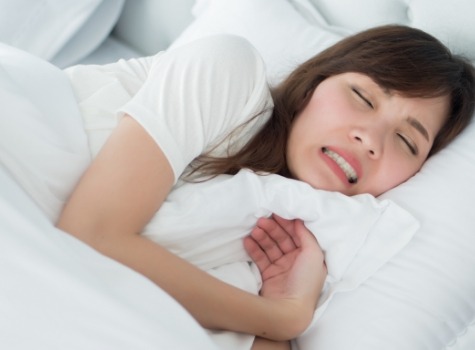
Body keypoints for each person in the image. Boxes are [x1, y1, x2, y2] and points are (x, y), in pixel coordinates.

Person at [57, 24, 475, 350]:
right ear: (313, 85)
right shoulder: (230, 72)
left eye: (406, 141)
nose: (370, 138)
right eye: (363, 98)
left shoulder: (294, 245)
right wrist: (283, 318)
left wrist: (284, 312)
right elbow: (90, 233)